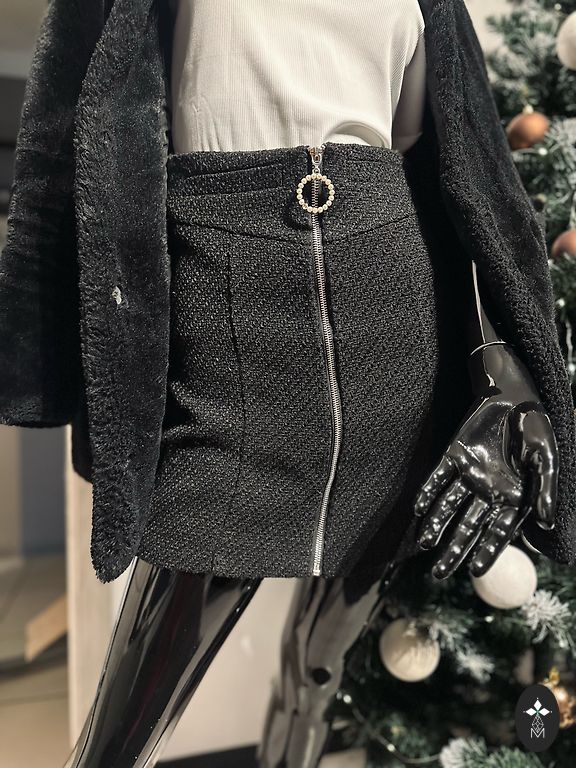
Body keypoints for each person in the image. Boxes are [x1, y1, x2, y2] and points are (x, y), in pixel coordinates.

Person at [0, 1, 573, 765]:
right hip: (226, 306)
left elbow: (458, 174)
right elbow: (63, 139)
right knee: (125, 725)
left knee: (320, 668)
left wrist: (502, 366)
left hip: (393, 320)